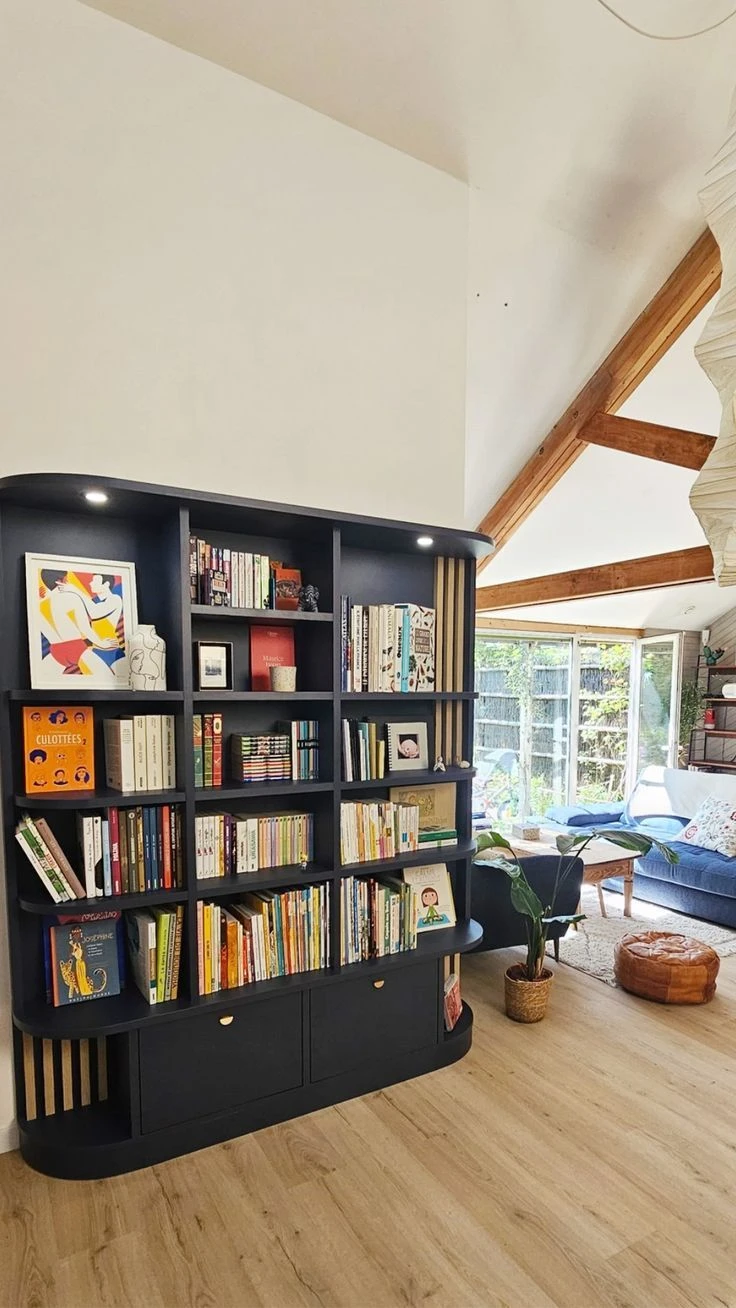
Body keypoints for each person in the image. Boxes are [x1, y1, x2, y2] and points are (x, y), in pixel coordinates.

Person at [36, 570, 120, 680]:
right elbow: (85, 628)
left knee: (43, 682)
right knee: (107, 680)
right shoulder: (71, 597)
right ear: (62, 579)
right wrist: (102, 644)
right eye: (67, 577)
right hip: (77, 648)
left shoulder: (39, 605)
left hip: (56, 651)